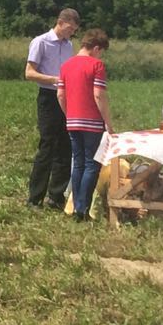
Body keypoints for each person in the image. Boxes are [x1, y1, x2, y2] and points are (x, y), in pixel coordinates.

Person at [26, 8, 81, 210]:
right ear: (61, 22)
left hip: (66, 97)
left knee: (65, 146)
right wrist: (53, 79)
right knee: (47, 145)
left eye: (74, 30)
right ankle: (35, 198)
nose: (71, 33)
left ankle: (56, 197)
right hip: (48, 97)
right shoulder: (40, 42)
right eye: (70, 28)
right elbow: (29, 73)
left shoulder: (69, 45)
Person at [56, 28, 113, 222]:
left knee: (78, 163)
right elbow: (98, 95)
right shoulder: (97, 65)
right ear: (96, 48)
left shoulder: (66, 66)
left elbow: (60, 95)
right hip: (92, 122)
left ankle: (75, 208)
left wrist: (68, 114)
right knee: (91, 164)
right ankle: (82, 209)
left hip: (72, 121)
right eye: (101, 51)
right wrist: (108, 121)